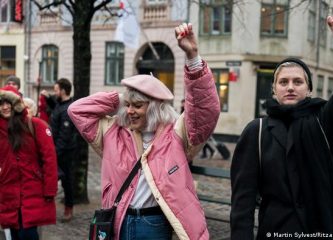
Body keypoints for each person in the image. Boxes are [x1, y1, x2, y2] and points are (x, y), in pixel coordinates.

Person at [68, 22, 220, 240]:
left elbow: (205, 112)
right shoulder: (113, 132)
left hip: (153, 225)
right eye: (128, 105)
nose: (130, 111)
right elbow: (77, 110)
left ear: (155, 107)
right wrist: (122, 98)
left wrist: (193, 58)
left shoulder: (176, 134)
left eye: (137, 106)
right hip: (118, 222)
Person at [230, 15, 333, 239]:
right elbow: (242, 203)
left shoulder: (323, 122)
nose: (290, 87)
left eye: (298, 81)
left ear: (309, 89)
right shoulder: (257, 131)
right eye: (283, 82)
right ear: (274, 90)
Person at [0, 86, 58, 240]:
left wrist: (50, 190)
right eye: (1, 103)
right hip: (8, 192)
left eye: (8, 102)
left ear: (16, 104)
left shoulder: (36, 125)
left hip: (33, 191)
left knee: (28, 233)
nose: (5, 107)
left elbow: (49, 159)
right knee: (14, 234)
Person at [41, 78, 79, 222]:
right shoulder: (61, 104)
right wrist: (48, 97)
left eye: (56, 90)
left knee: (67, 181)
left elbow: (64, 137)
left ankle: (68, 209)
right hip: (56, 150)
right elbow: (56, 105)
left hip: (65, 153)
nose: (55, 92)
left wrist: (53, 154)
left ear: (63, 91)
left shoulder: (69, 110)